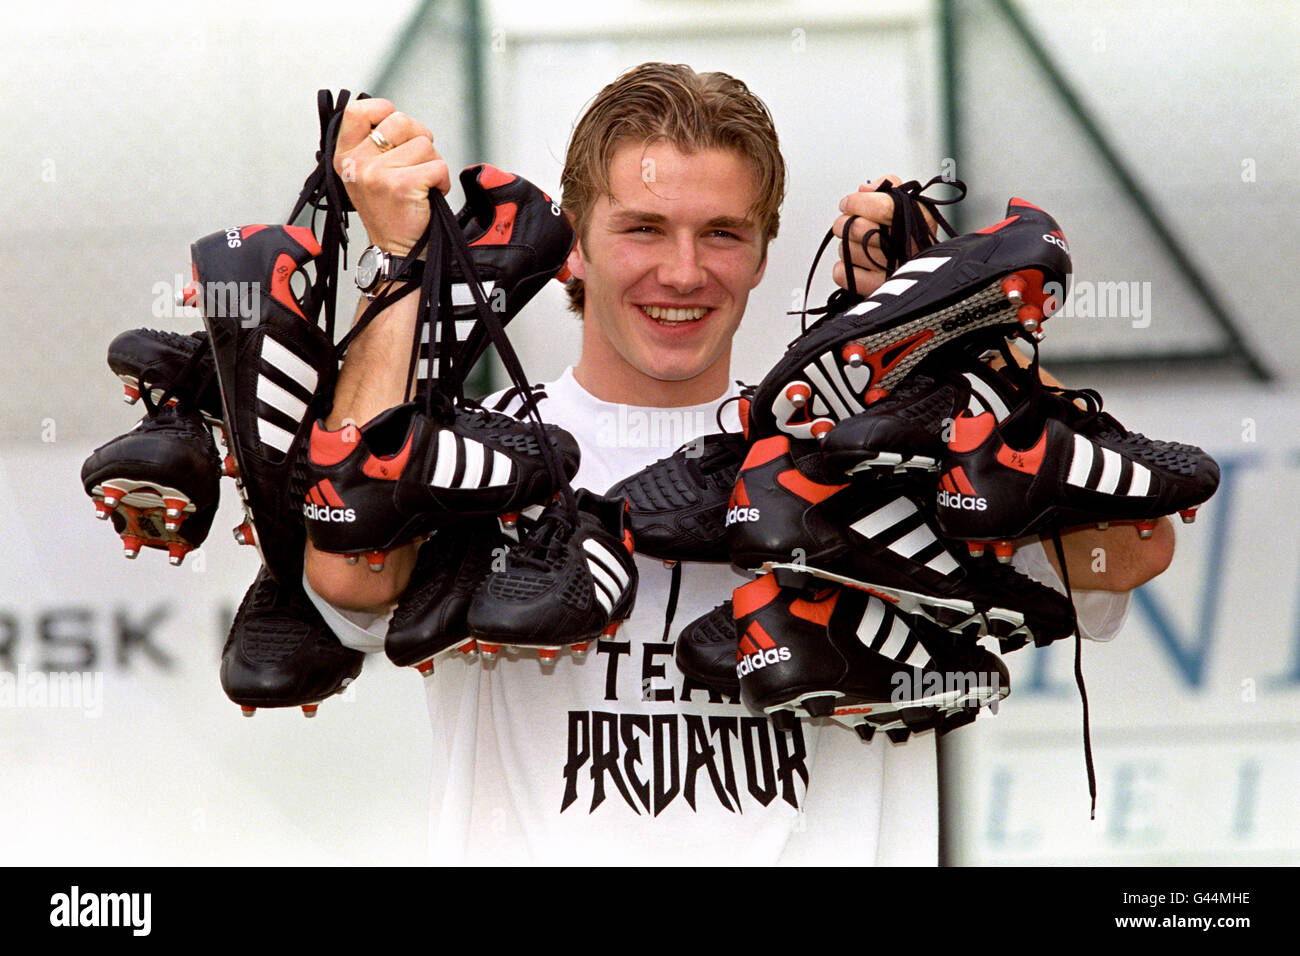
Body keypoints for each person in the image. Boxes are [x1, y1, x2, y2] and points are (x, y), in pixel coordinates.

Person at [300, 63, 1174, 864]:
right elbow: (349, 569)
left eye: (723, 234)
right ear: (573, 245)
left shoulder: (870, 447)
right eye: (643, 228)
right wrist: (406, 271)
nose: (683, 273)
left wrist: (957, 326)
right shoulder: (474, 450)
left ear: (764, 253)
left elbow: (1127, 548)